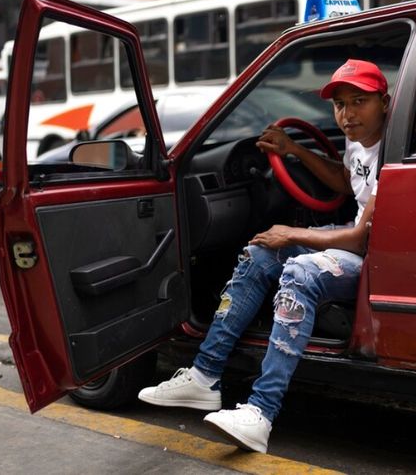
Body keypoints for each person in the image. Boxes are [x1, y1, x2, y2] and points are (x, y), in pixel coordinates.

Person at [138, 59, 389, 453]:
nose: (347, 114)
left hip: (378, 255)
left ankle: (261, 412)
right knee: (259, 251)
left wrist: (293, 232)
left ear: (385, 103)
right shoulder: (358, 141)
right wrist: (293, 150)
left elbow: (360, 239)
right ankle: (204, 378)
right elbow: (344, 180)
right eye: (340, 104)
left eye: (359, 101)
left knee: (299, 272)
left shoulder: (393, 146)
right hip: (357, 241)